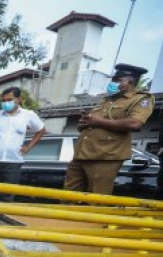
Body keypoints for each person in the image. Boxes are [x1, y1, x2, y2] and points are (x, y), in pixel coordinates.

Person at [66, 63, 155, 194]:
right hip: (81, 153)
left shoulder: (141, 99)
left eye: (117, 80)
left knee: (95, 198)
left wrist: (98, 121)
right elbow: (92, 122)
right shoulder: (107, 100)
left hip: (105, 156)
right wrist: (84, 123)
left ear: (130, 82)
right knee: (69, 196)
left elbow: (135, 124)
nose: (113, 83)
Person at [0, 87, 46, 185]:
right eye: (3, 100)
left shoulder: (28, 115)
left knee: (8, 192)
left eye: (9, 100)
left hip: (13, 162)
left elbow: (41, 130)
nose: (6, 103)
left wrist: (28, 147)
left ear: (18, 99)